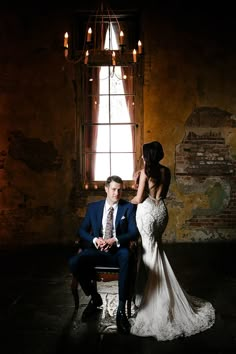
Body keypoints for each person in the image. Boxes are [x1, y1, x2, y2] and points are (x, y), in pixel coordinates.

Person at [129, 141, 215, 340]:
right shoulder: (165, 172)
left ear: (147, 156)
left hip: (148, 213)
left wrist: (126, 199)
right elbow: (163, 194)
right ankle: (155, 293)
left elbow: (139, 198)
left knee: (149, 254)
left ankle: (157, 299)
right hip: (161, 212)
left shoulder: (144, 173)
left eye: (143, 154)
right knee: (155, 250)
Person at [69, 175, 139, 335]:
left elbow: (134, 232)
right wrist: (95, 239)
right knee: (74, 262)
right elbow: (81, 230)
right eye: (114, 189)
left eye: (120, 190)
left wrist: (114, 240)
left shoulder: (128, 208)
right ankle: (95, 298)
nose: (117, 193)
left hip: (117, 250)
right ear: (106, 189)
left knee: (126, 256)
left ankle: (121, 311)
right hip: (97, 250)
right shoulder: (94, 207)